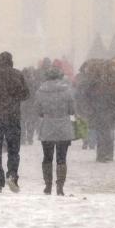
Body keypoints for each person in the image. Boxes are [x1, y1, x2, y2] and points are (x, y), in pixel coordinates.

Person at [0, 52, 30, 193]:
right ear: (11, 61)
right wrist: (13, 98)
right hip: (13, 117)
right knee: (14, 149)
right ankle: (12, 175)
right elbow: (26, 94)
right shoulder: (17, 75)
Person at [35, 67, 76, 196]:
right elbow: (72, 110)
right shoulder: (67, 90)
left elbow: (38, 111)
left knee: (47, 158)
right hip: (63, 127)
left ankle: (48, 185)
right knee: (61, 158)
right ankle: (60, 186)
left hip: (47, 127)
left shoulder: (40, 91)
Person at [82, 61, 115, 162]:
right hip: (109, 111)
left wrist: (89, 108)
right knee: (107, 132)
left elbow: (86, 96)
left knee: (102, 133)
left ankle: (101, 154)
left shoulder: (93, 83)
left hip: (97, 111)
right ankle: (108, 154)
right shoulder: (111, 83)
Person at [20, 67, 40, 145]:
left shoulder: (19, 82)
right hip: (31, 104)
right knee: (31, 122)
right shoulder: (33, 82)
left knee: (22, 121)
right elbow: (36, 93)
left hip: (22, 104)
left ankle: (22, 138)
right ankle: (30, 138)